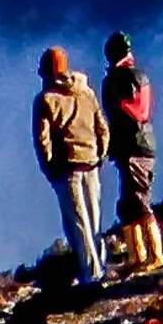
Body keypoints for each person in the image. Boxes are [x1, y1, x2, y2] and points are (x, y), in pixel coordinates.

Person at [32, 45, 111, 287]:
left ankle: (91, 277)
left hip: (68, 169)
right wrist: (101, 154)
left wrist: (50, 170)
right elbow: (102, 127)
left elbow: (42, 141)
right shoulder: (85, 91)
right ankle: (101, 267)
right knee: (94, 220)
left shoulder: (45, 100)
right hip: (92, 163)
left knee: (78, 224)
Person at [101, 32, 162, 276]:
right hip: (141, 143)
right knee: (130, 202)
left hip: (132, 145)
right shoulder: (139, 75)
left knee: (137, 200)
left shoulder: (119, 79)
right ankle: (139, 256)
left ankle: (153, 254)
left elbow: (126, 113)